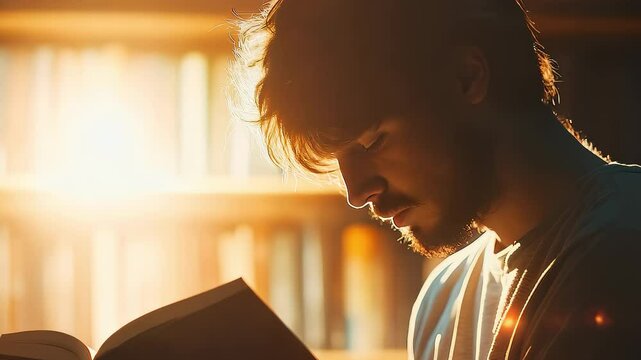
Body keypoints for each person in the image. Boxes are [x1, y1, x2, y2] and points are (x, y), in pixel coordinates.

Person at [232, 0, 641, 358]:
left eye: (372, 142)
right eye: (339, 163)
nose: (357, 193)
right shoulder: (441, 303)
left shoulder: (623, 244)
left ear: (466, 77)